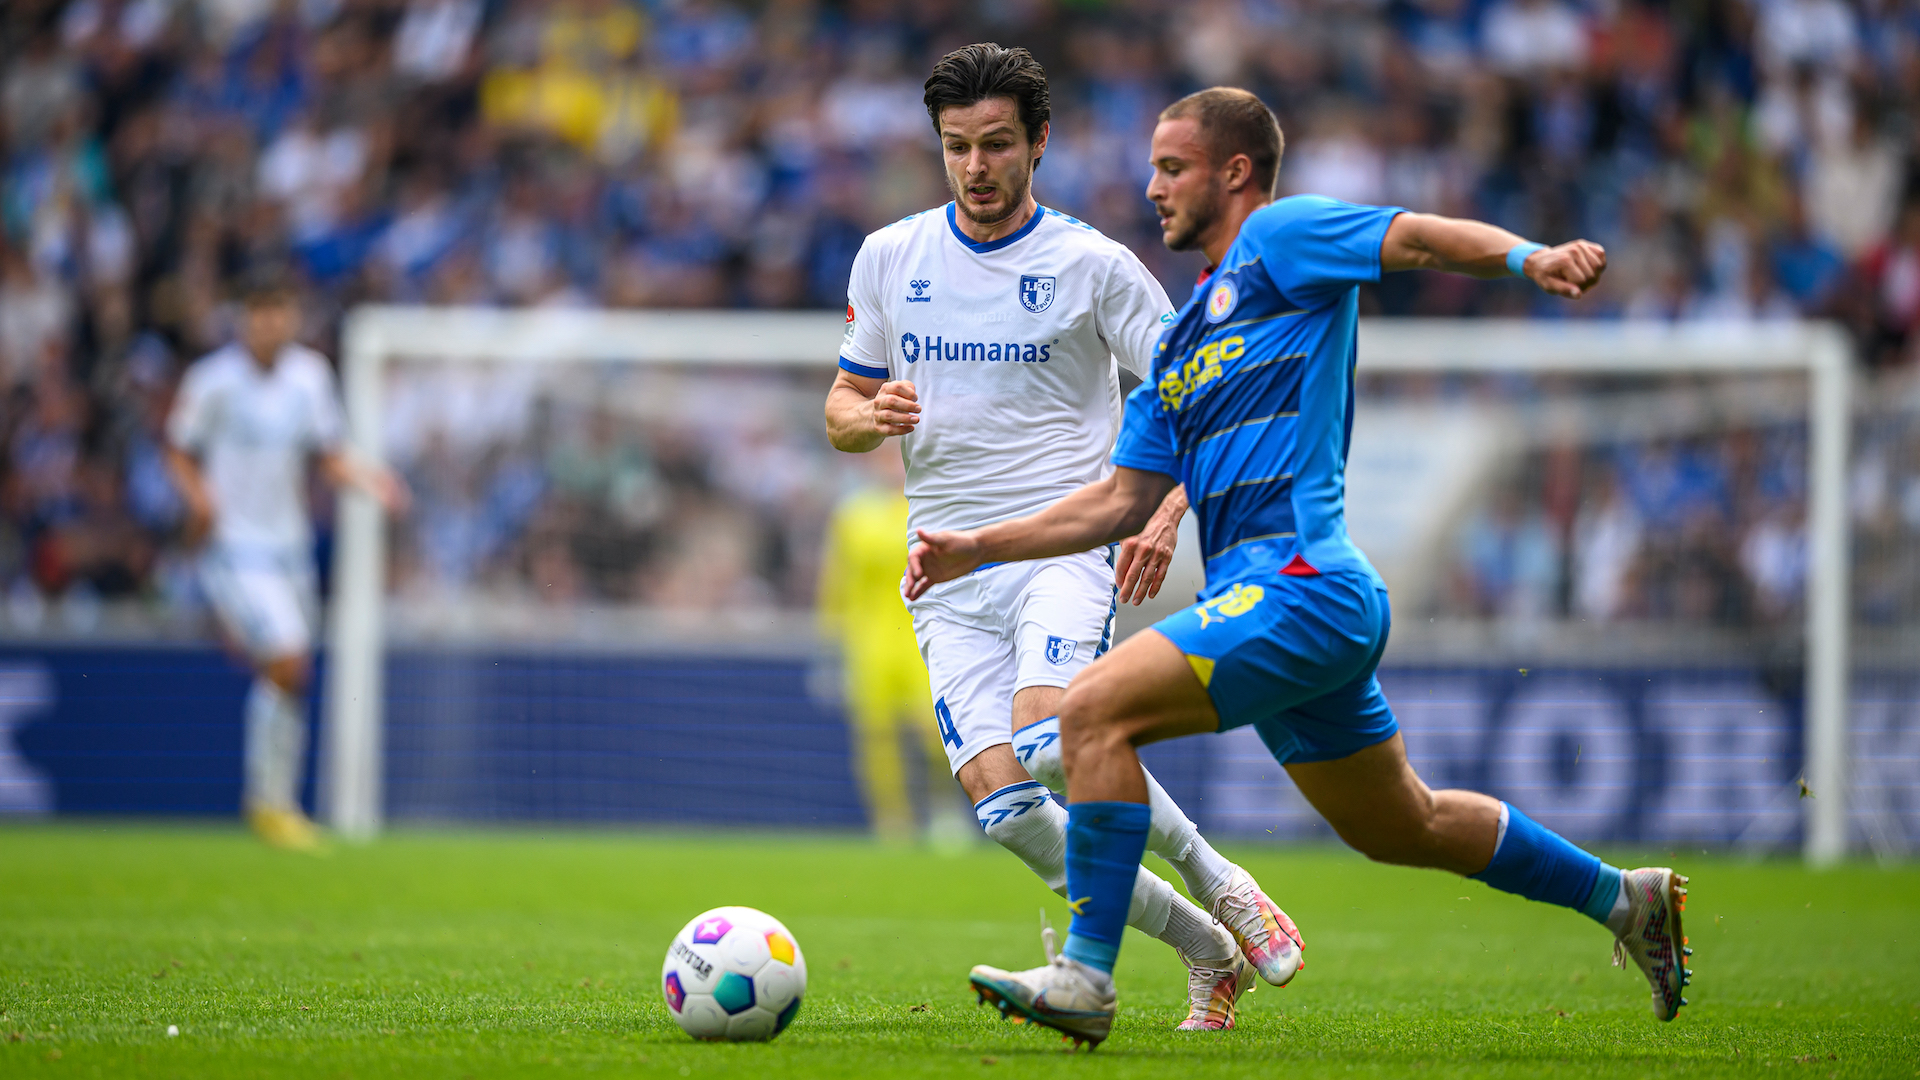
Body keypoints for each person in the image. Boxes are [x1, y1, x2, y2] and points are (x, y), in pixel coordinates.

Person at [907, 87, 1688, 1046]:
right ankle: (1625, 898)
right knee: (1403, 824)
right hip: (1272, 608)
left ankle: (1087, 976)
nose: (1150, 187)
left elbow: (1418, 239)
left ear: (1235, 172)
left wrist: (1531, 257)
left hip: (1305, 584)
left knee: (1092, 710)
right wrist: (977, 545)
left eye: (1172, 167)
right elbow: (1117, 502)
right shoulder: (1186, 340)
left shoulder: (1282, 240)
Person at [824, 46, 1301, 1032]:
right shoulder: (889, 256)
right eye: (957, 147)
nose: (976, 166)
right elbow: (839, 401)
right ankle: (1204, 950)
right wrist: (871, 418)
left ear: (1039, 142)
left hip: (1061, 547)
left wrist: (1166, 512)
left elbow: (1200, 394)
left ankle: (1224, 882)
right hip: (945, 570)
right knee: (1005, 810)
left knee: (1050, 746)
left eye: (997, 144)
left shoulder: (1092, 266)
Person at [167, 279, 406, 850]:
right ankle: (269, 802)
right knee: (288, 653)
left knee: (293, 673)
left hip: (290, 549)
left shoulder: (310, 378)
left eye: (279, 310)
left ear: (293, 315)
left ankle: (279, 802)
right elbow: (178, 448)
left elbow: (327, 454)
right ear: (244, 316)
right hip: (235, 546)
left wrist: (373, 480)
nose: (269, 322)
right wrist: (199, 498)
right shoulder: (213, 381)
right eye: (259, 311)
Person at [816, 448, 967, 844]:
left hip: (920, 634)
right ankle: (892, 822)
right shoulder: (852, 514)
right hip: (868, 640)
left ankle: (944, 808)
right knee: (877, 736)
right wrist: (830, 643)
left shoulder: (928, 506)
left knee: (934, 728)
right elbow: (837, 581)